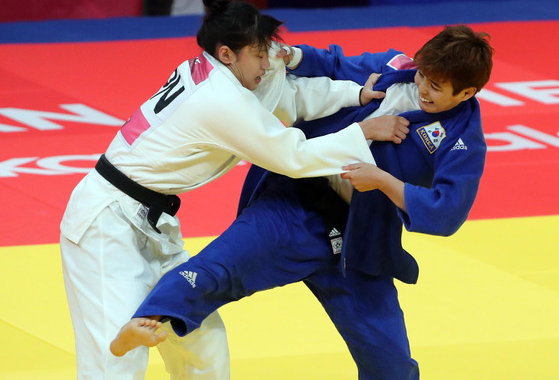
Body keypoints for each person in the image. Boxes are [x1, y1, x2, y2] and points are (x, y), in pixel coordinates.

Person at [109, 25, 494, 379]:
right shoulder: (398, 69)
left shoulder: (462, 141)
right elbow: (336, 63)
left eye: (437, 87)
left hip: (359, 242)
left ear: (466, 93)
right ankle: (147, 320)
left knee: (390, 361)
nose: (423, 87)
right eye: (423, 75)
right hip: (295, 206)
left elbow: (446, 212)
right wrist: (293, 55)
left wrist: (382, 181)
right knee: (220, 265)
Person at [59, 0, 396, 380]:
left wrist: (354, 93)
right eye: (259, 53)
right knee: (115, 358)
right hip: (106, 221)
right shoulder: (217, 98)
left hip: (152, 218)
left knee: (202, 343)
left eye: (269, 48)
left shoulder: (228, 71)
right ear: (227, 54)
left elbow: (287, 94)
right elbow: (291, 156)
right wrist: (361, 132)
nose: (269, 60)